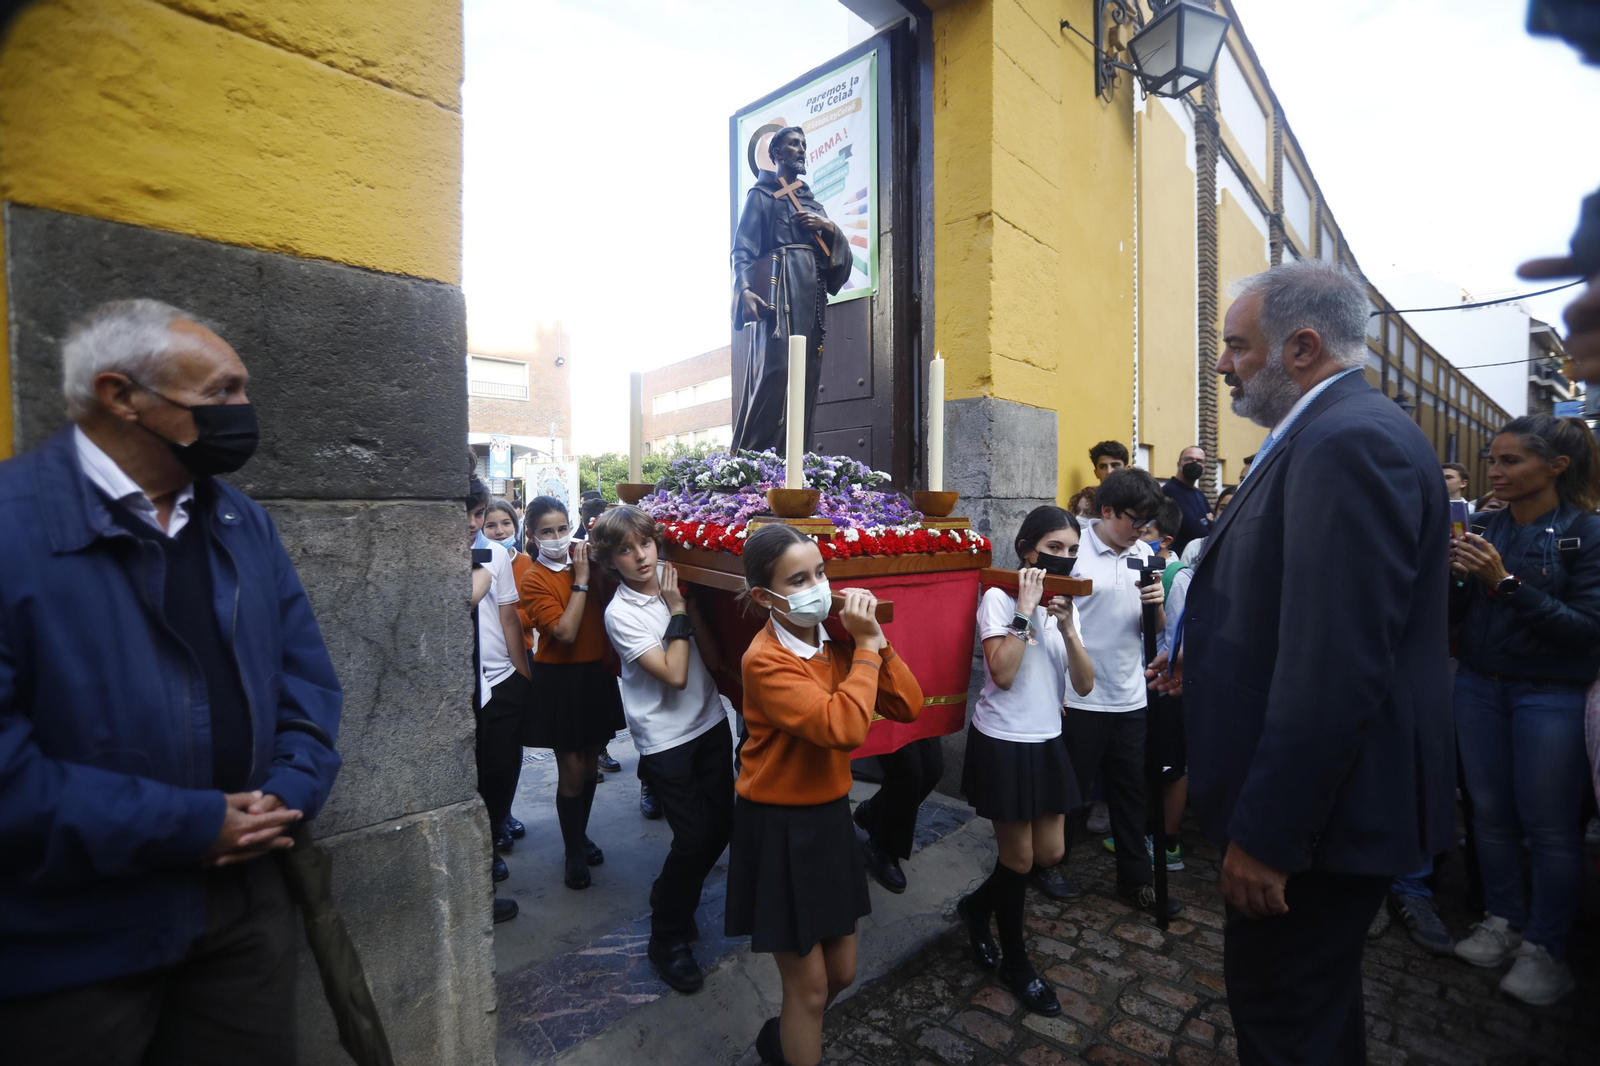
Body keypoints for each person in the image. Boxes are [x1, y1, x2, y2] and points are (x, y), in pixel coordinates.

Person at [0, 300, 342, 1060]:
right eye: (221, 392)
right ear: (120, 395)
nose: (243, 411)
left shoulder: (241, 523)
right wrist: (186, 825)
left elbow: (306, 684)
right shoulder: (11, 525)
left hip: (242, 918)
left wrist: (288, 791)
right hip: (68, 943)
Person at [1155, 260, 1455, 1064]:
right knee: (1311, 1009)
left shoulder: (1348, 442)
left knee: (1286, 1017)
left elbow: (1334, 665)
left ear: (1302, 347)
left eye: (1236, 345)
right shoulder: (1329, 432)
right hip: (1325, 812)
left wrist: (1270, 837)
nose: (1223, 364)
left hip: (1318, 824)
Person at [728, 524, 922, 1066]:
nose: (816, 586)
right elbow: (843, 728)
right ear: (765, 596)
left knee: (842, 972)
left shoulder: (835, 641)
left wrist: (875, 641)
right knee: (809, 989)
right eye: (798, 580)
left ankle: (781, 1041)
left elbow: (908, 705)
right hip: (778, 825)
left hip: (830, 819)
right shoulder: (766, 659)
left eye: (820, 572)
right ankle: (792, 1042)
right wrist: (866, 650)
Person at [1448, 414, 1600, 1005]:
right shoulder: (1485, 524)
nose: (1495, 471)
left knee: (1551, 827)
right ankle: (1503, 920)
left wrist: (1504, 580)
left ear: (1556, 467)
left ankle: (1546, 948)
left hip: (1551, 693)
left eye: (1511, 460)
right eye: (1493, 459)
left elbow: (1587, 631)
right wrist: (1454, 578)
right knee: (1488, 815)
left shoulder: (1587, 533)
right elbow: (1457, 613)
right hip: (1479, 685)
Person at [589, 506, 734, 994]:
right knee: (692, 839)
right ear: (610, 561)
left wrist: (689, 607)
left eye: (645, 543)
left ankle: (673, 895)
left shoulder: (676, 586)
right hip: (665, 739)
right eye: (625, 550)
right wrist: (676, 609)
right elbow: (673, 675)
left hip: (709, 721)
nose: (640, 556)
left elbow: (710, 658)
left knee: (722, 828)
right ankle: (666, 935)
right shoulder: (621, 613)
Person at [956, 506, 1094, 1016]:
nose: (1064, 558)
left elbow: (1084, 685)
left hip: (1047, 738)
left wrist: (1069, 629)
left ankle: (975, 907)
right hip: (1004, 740)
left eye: (1072, 550)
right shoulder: (999, 596)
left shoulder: (1066, 603)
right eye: (1054, 548)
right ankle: (1017, 963)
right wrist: (1026, 610)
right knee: (1017, 860)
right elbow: (1004, 673)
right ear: (1026, 550)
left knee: (1050, 853)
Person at [1060, 468, 1175, 916]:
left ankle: (1136, 880)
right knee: (1071, 790)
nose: (1142, 530)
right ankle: (1051, 865)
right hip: (1081, 694)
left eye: (1148, 522)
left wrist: (1157, 605)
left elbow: (1152, 627)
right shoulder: (1075, 550)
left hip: (1130, 693)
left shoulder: (1143, 552)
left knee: (1131, 792)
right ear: (1107, 511)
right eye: (1135, 520)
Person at [517, 496, 626, 890]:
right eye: (547, 532)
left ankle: (580, 834)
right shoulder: (533, 578)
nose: (558, 537)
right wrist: (580, 580)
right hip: (559, 679)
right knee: (572, 770)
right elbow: (564, 632)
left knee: (591, 762)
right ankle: (573, 851)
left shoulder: (588, 561)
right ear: (532, 536)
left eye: (562, 528)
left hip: (595, 674)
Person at [730, 126, 854, 453]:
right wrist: (744, 290)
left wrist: (828, 227)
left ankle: (796, 459)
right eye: (793, 144)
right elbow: (742, 249)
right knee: (776, 370)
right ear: (776, 153)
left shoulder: (812, 203)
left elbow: (837, 264)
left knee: (806, 375)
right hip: (778, 295)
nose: (801, 150)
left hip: (811, 296)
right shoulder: (761, 196)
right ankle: (754, 460)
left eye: (803, 144)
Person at [468, 487, 532, 905]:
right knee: (470, 773)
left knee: (502, 769)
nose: (473, 523)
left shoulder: (494, 554)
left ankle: (491, 842)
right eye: (469, 514)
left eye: (478, 513)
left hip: (501, 679)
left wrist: (522, 677)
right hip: (460, 690)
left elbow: (509, 617)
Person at [481, 498, 538, 852]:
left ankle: (504, 813)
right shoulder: (484, 559)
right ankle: (493, 820)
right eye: (491, 524)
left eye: (506, 524)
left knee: (508, 749)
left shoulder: (525, 563)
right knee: (488, 755)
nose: (500, 531)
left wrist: (522, 674)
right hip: (485, 664)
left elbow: (521, 615)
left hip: (517, 656)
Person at [1161, 446, 1213, 556]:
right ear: (1179, 464)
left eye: (1199, 461)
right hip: (1178, 558)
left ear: (1204, 468)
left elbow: (1215, 527)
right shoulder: (1170, 491)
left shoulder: (1199, 494)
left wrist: (1211, 525)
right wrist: (1208, 523)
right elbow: (1195, 530)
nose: (1194, 463)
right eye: (1188, 459)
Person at [1179, 485, 1235, 567]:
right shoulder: (1195, 548)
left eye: (1234, 509)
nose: (1227, 514)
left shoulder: (1249, 551)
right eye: (1222, 509)